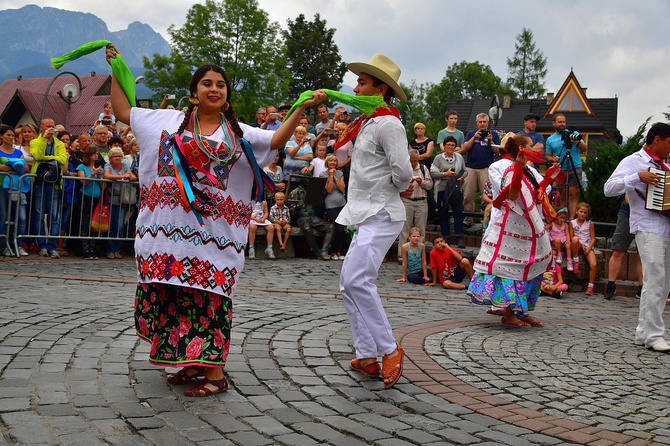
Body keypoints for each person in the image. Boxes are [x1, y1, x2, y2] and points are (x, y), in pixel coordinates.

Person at [106, 44, 326, 395]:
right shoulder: (164, 121)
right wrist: (116, 69)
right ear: (194, 93)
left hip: (213, 240)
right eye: (206, 83)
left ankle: (215, 376)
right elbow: (122, 109)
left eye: (220, 85)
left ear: (226, 96)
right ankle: (191, 363)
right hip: (166, 237)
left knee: (209, 300)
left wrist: (300, 107)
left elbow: (278, 139)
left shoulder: (239, 134)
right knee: (178, 299)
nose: (214, 88)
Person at [336, 53, 412, 389]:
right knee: (348, 282)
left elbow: (404, 174)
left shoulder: (389, 124)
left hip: (381, 213)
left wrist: (388, 191)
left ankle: (388, 348)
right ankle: (366, 353)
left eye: (362, 82)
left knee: (357, 280)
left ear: (380, 89)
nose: (355, 87)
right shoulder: (368, 122)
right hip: (367, 213)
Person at [466, 134, 560, 328]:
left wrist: (548, 179)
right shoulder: (511, 170)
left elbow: (535, 195)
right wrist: (517, 170)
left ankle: (521, 311)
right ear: (521, 149)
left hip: (528, 229)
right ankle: (509, 314)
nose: (535, 149)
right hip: (513, 230)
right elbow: (512, 195)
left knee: (529, 267)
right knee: (512, 269)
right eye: (531, 146)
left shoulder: (529, 171)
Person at [604, 122, 670, 352]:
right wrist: (636, 178)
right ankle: (654, 335)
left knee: (663, 281)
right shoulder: (633, 161)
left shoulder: (668, 164)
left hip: (667, 226)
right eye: (669, 143)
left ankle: (644, 332)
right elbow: (609, 188)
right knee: (655, 278)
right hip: (647, 224)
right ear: (658, 140)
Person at [30, 118, 67, 258]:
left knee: (55, 216)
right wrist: (44, 141)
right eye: (48, 126)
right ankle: (42, 246)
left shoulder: (60, 144)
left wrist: (46, 158)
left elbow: (62, 159)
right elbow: (37, 155)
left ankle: (52, 246)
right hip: (40, 182)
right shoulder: (35, 142)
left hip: (55, 183)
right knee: (38, 215)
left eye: (53, 126)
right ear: (41, 127)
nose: (51, 129)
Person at [545, 113, 588, 219]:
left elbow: (584, 148)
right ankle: (563, 221)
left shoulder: (573, 133)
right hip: (561, 169)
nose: (562, 124)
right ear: (554, 123)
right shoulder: (550, 139)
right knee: (563, 196)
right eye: (559, 122)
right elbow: (547, 156)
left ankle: (572, 221)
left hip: (575, 167)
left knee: (573, 195)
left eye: (564, 122)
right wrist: (554, 159)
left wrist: (577, 142)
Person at [461, 113, 500, 226]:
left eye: (484, 122)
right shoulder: (470, 134)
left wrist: (491, 141)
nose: (482, 124)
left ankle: (486, 219)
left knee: (487, 196)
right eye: (480, 122)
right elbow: (465, 148)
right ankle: (468, 219)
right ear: (477, 123)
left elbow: (498, 152)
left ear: (488, 123)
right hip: (471, 167)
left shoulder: (493, 134)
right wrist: (474, 138)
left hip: (486, 168)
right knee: (468, 195)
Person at [604, 196, 643, 300]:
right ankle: (611, 284)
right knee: (618, 250)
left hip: (647, 212)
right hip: (628, 210)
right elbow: (627, 196)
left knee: (643, 254)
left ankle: (642, 287)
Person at [430, 136, 466, 247]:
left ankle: (459, 237)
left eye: (453, 145)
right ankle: (445, 237)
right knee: (443, 214)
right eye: (448, 145)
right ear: (444, 146)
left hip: (455, 189)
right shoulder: (438, 158)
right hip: (442, 188)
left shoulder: (459, 157)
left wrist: (461, 177)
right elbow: (432, 173)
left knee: (458, 213)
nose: (450, 147)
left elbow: (465, 171)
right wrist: (445, 174)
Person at [0, 125, 29, 257]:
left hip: (18, 187)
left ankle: (18, 244)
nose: (11, 137)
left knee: (21, 217)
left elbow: (26, 168)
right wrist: (15, 168)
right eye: (8, 135)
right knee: (4, 216)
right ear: (1, 136)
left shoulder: (18, 152)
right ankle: (4, 245)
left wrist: (9, 167)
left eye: (13, 135)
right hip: (2, 187)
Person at [103, 146, 136, 259]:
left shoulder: (125, 166)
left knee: (120, 226)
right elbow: (107, 175)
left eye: (119, 156)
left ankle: (116, 249)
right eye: (114, 156)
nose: (117, 158)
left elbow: (132, 176)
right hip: (111, 199)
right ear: (110, 158)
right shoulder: (108, 166)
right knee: (111, 225)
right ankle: (109, 250)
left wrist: (130, 176)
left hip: (123, 200)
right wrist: (122, 176)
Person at [398, 149, 433, 258]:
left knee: (421, 230)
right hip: (407, 201)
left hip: (421, 201)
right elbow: (397, 185)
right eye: (411, 161)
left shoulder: (423, 168)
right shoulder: (403, 169)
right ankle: (402, 255)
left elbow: (430, 185)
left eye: (415, 161)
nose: (413, 164)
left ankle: (418, 256)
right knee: (405, 230)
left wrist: (421, 182)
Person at [288, 178, 334, 260]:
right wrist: (297, 206)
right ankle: (316, 252)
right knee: (307, 228)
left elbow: (320, 208)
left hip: (313, 217)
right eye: (306, 179)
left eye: (309, 179)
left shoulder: (313, 191)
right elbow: (290, 210)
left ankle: (324, 251)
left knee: (330, 227)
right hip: (302, 217)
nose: (308, 181)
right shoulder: (295, 192)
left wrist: (320, 198)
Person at [76, 145, 103, 260]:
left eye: (97, 153)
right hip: (86, 197)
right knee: (85, 223)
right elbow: (83, 181)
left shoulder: (98, 168)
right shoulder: (81, 167)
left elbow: (103, 186)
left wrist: (100, 175)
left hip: (96, 198)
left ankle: (92, 248)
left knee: (94, 224)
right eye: (94, 153)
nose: (97, 155)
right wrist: (92, 174)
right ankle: (85, 249)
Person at [320, 154, 347, 260]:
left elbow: (342, 188)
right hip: (330, 204)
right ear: (327, 163)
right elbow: (329, 189)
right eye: (330, 161)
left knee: (342, 228)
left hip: (341, 202)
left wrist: (335, 177)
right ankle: (333, 251)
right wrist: (330, 177)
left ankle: (339, 251)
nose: (333, 162)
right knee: (337, 228)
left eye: (334, 161)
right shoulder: (322, 174)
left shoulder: (340, 173)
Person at [569, 202, 597, 295]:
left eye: (585, 213)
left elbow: (593, 238)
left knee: (593, 264)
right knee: (575, 239)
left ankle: (590, 286)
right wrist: (581, 243)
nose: (582, 214)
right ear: (577, 211)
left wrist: (589, 248)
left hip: (587, 245)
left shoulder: (590, 223)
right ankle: (576, 260)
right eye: (581, 211)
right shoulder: (572, 223)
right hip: (578, 244)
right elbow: (571, 236)